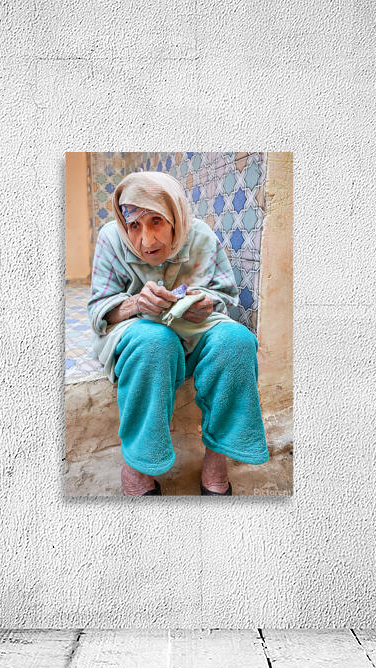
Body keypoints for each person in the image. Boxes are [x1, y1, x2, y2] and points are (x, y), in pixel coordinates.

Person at [87, 170, 269, 496]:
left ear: (174, 214)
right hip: (137, 332)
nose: (146, 240)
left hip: (196, 329)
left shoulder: (199, 236)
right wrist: (134, 304)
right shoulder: (111, 240)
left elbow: (225, 296)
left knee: (237, 342)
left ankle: (216, 460)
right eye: (134, 226)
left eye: (156, 221)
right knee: (157, 342)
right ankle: (138, 467)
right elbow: (99, 309)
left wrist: (207, 303)